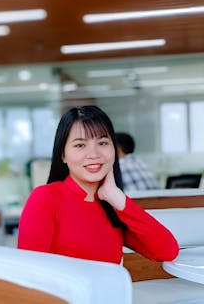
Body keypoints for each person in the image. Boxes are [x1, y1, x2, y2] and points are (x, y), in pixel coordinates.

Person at [17, 105, 179, 264]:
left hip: (112, 291)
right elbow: (31, 273)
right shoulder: (45, 198)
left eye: (102, 143)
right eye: (80, 145)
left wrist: (118, 198)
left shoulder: (111, 205)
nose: (94, 154)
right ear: (63, 155)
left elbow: (167, 251)